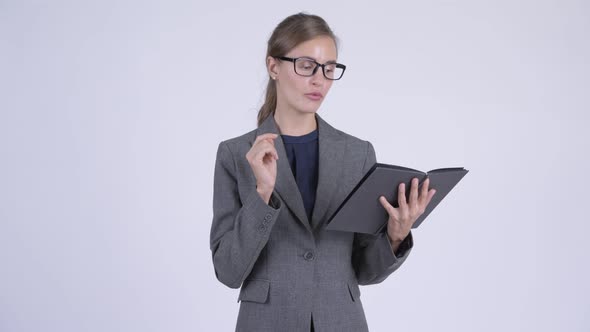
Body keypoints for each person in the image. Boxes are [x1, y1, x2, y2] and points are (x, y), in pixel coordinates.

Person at [210, 12, 436, 332]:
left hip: (342, 321)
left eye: (329, 69)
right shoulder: (236, 155)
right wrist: (261, 195)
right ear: (273, 66)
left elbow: (363, 269)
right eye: (306, 66)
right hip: (267, 322)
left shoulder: (357, 154)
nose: (319, 80)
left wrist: (396, 237)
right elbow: (228, 271)